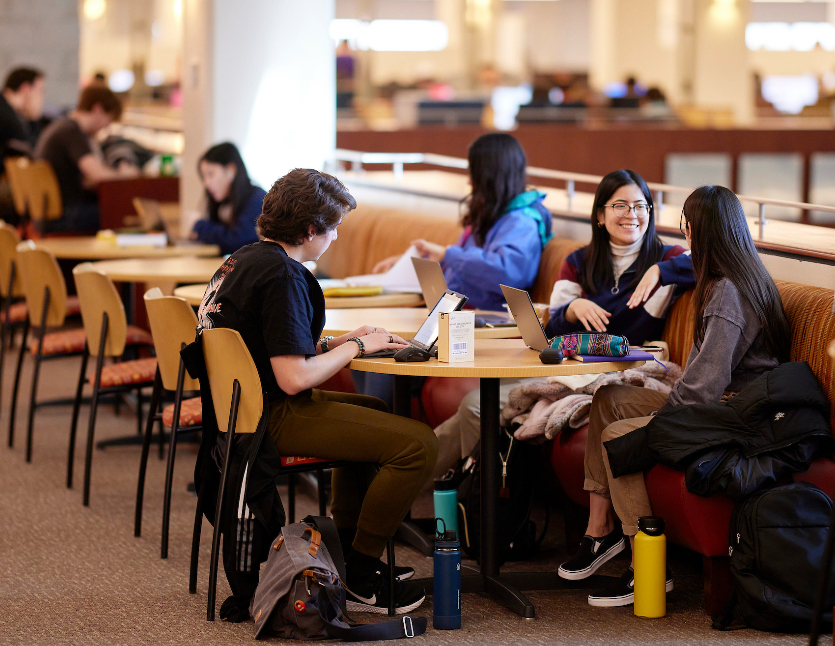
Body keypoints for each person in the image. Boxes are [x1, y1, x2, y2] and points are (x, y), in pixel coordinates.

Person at [196, 168, 438, 615]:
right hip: (273, 416)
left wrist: (340, 342)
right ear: (311, 230)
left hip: (242, 414)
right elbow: (293, 378)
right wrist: (361, 347)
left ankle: (343, 554)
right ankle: (362, 576)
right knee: (418, 444)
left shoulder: (243, 260)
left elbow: (269, 347)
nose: (337, 239)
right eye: (335, 228)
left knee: (375, 408)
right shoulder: (283, 276)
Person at [558, 185, 790, 607]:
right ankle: (600, 529)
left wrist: (662, 415)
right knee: (608, 398)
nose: (684, 239)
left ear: (703, 233)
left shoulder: (728, 293)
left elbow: (704, 388)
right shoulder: (725, 278)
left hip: (735, 414)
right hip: (716, 401)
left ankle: (645, 564)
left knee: (620, 435)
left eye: (687, 230)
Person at [431, 169, 695, 480]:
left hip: (612, 372)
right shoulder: (579, 261)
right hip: (566, 366)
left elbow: (713, 259)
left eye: (641, 206)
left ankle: (448, 492)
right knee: (473, 407)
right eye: (620, 206)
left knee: (475, 406)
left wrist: (660, 272)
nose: (632, 215)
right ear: (600, 215)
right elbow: (550, 330)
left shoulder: (669, 258)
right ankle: (434, 486)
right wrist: (571, 309)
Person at [372, 132, 552, 312]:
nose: (469, 181)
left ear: (491, 176)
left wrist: (448, 254)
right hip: (459, 312)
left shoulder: (522, 221)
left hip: (488, 320)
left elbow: (509, 275)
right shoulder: (493, 214)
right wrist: (411, 263)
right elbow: (466, 270)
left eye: (474, 173)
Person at [35, 85, 138, 233]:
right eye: (108, 120)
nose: (106, 128)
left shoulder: (61, 126)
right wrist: (124, 176)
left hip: (49, 216)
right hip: (64, 218)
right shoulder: (72, 132)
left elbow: (87, 179)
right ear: (98, 110)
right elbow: (98, 175)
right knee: (126, 214)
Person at [191, 142, 264, 254]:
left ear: (231, 170)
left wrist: (199, 225)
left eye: (210, 174)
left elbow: (236, 241)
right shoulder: (224, 203)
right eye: (204, 177)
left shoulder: (257, 199)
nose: (206, 183)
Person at [0, 67, 45, 158]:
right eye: (40, 91)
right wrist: (34, 118)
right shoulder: (6, 115)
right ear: (26, 89)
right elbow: (34, 150)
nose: (41, 99)